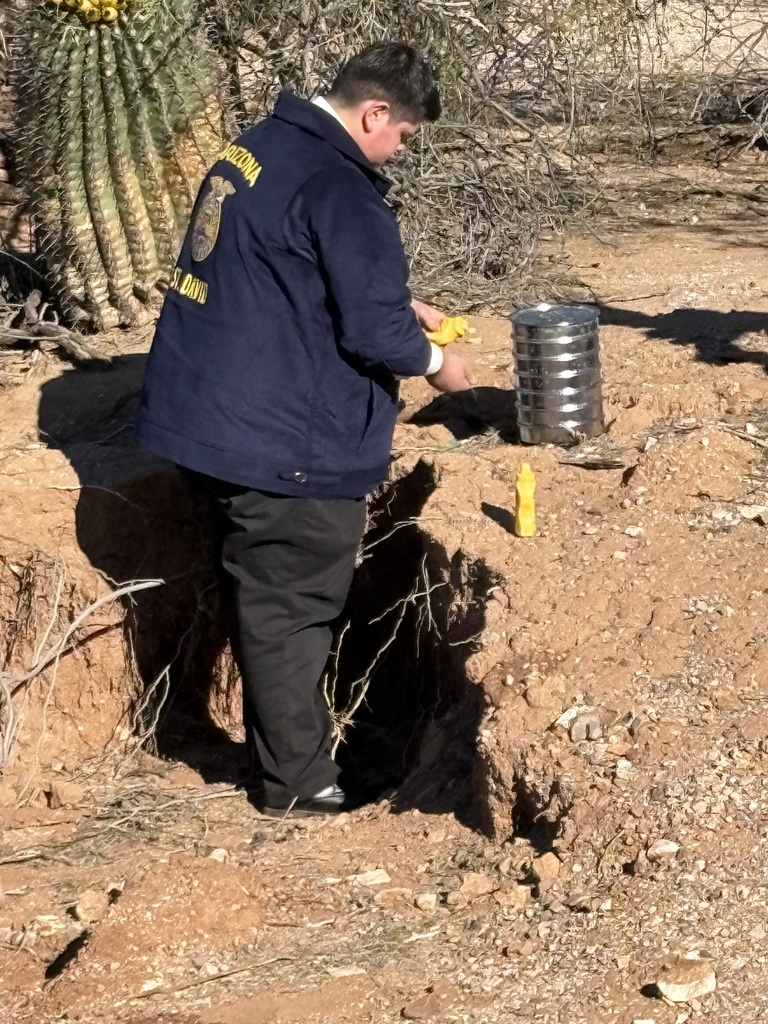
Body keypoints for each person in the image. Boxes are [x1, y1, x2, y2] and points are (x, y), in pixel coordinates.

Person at [135, 42, 474, 818]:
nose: (399, 151)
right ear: (375, 113)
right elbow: (374, 335)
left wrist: (395, 299)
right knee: (291, 610)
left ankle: (283, 753)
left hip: (207, 421)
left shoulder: (256, 148)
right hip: (283, 445)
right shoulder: (341, 189)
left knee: (258, 594)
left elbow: (284, 265)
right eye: (404, 136)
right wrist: (434, 361)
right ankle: (299, 787)